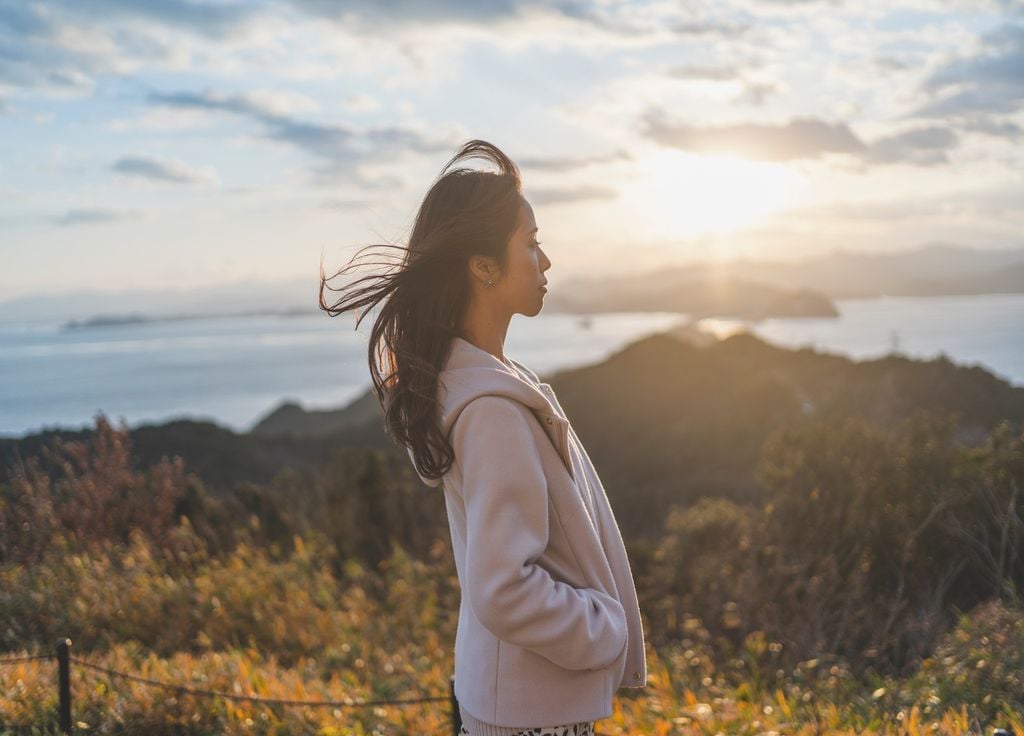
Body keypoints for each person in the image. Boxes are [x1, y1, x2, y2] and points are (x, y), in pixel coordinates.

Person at [319, 139, 646, 735]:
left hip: (513, 699)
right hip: (531, 716)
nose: (545, 261)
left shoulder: (470, 382)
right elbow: (503, 588)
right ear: (484, 265)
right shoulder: (492, 408)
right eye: (531, 242)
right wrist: (605, 628)